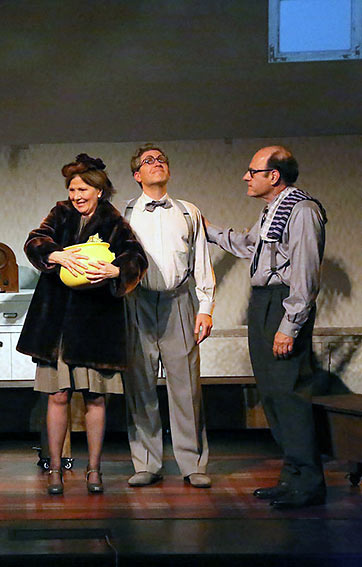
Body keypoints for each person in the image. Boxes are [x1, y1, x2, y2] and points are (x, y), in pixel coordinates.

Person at [17, 153, 147, 495]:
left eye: (83, 189)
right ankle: (56, 469)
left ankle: (93, 470)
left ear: (99, 191)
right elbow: (34, 241)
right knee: (57, 395)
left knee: (95, 397)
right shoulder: (60, 213)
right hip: (58, 324)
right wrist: (56, 254)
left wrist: (117, 270)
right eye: (73, 189)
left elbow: (136, 257)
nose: (77, 196)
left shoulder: (112, 220)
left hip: (95, 324)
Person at [206, 146, 327, 509]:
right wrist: (206, 230)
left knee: (289, 395)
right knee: (273, 395)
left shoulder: (302, 210)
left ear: (273, 176)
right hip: (264, 304)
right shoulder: (273, 209)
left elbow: (304, 275)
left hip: (282, 304)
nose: (246, 176)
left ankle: (308, 483)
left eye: (252, 170)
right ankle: (291, 478)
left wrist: (289, 326)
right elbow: (248, 245)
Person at [121, 144, 216, 489]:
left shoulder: (188, 212)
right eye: (149, 161)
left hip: (178, 301)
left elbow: (201, 263)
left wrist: (205, 308)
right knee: (140, 384)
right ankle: (146, 462)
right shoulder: (125, 214)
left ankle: (192, 463)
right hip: (137, 301)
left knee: (186, 387)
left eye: (161, 160)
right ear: (137, 174)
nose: (156, 164)